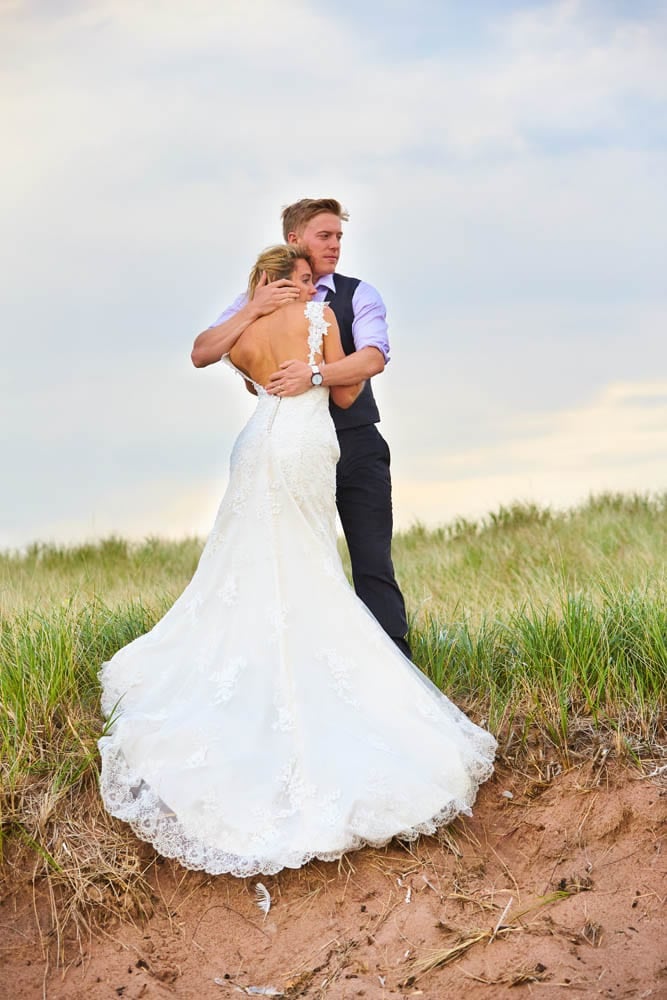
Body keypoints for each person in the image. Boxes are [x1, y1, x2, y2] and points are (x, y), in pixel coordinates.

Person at [98, 245, 496, 878]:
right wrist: (318, 364)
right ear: (279, 279)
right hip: (308, 442)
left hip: (256, 441)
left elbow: (202, 351)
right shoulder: (319, 319)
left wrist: (254, 310)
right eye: (306, 279)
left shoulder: (241, 328)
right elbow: (347, 395)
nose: (314, 288)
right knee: (309, 563)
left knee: (252, 560)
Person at [191, 198, 411, 659]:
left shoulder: (358, 294)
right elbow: (205, 347)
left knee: (372, 559)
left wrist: (312, 376)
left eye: (338, 237)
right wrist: (253, 309)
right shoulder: (263, 296)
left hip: (353, 441)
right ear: (295, 239)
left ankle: (393, 658)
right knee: (290, 555)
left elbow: (374, 356)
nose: (334, 246)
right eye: (324, 236)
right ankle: (309, 659)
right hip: (291, 443)